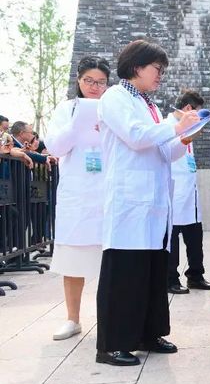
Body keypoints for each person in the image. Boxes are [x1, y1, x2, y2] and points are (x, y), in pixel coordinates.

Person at [96, 40, 199, 366]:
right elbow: (137, 136)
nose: (160, 76)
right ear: (137, 66)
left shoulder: (149, 104)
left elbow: (164, 151)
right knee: (125, 275)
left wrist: (184, 138)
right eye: (158, 69)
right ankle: (112, 344)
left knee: (152, 273)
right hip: (129, 203)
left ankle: (148, 333)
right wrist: (174, 125)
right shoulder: (115, 97)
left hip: (154, 204)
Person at [45, 56, 110, 341]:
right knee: (73, 258)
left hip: (107, 192)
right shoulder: (65, 109)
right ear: (79, 81)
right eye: (89, 81)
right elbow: (56, 146)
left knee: (110, 260)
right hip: (77, 194)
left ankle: (109, 318)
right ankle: (73, 318)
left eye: (101, 82)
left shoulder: (112, 109)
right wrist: (77, 125)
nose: (95, 87)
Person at [165, 90, 210, 295]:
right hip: (174, 195)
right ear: (188, 109)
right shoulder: (167, 126)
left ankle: (195, 275)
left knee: (195, 238)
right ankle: (170, 279)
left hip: (190, 195)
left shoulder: (189, 129)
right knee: (172, 241)